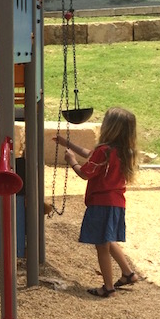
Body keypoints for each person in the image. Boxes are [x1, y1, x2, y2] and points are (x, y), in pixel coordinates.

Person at [55, 106, 140, 298]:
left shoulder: (104, 151)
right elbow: (90, 154)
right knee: (107, 239)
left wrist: (71, 160)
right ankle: (128, 273)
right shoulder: (123, 150)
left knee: (101, 246)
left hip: (101, 203)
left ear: (109, 127)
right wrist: (66, 143)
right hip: (117, 203)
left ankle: (107, 287)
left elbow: (85, 173)